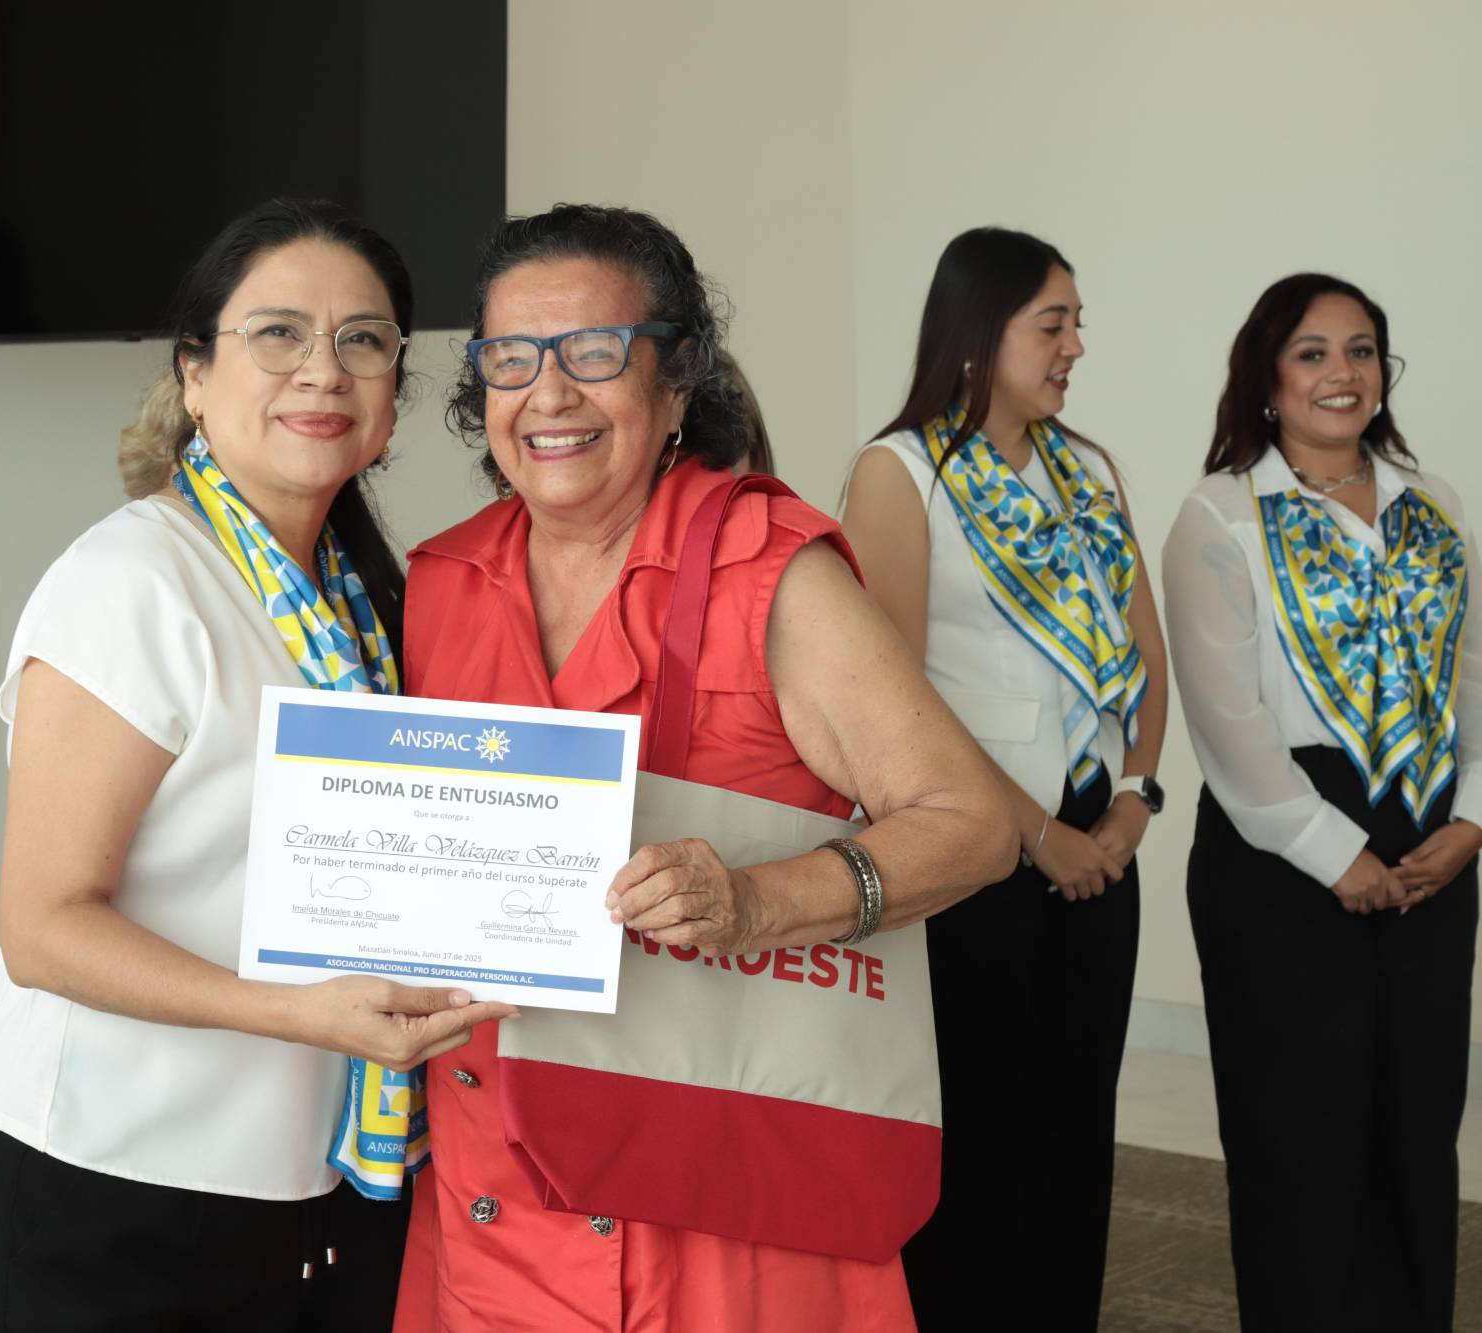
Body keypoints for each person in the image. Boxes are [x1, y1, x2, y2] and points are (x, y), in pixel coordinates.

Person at [393, 203, 1017, 1332]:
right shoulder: (439, 581)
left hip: (718, 1213)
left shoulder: (765, 569)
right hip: (489, 1202)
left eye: (594, 353)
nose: (547, 394)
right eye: (507, 358)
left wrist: (755, 900)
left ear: (676, 381)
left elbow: (972, 822)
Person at [0, 200, 514, 1331]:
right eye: (278, 334)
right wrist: (298, 1012)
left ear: (394, 393)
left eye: (364, 340)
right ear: (193, 375)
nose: (325, 369)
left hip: (306, 1187)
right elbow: (44, 926)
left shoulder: (368, 606)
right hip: (109, 1185)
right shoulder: (133, 583)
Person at [840, 227, 1170, 1331]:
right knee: (975, 1132)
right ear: (980, 333)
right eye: (1053, 322)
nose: (1075, 344)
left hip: (1098, 843)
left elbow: (1143, 652)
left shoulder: (1089, 468)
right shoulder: (900, 472)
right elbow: (894, 702)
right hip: (970, 853)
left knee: (1074, 1131)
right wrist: (1036, 834)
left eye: (1075, 321)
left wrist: (1131, 801)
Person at [1162, 274, 1477, 1332]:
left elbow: (1472, 674)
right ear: (1264, 373)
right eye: (1310, 352)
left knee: (1415, 1119)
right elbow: (1224, 716)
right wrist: (1332, 851)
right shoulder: (1219, 511)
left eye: (1360, 350)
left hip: (1433, 840)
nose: (1340, 374)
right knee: (1298, 1129)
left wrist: (1470, 820)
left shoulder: (1430, 503)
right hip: (1280, 853)